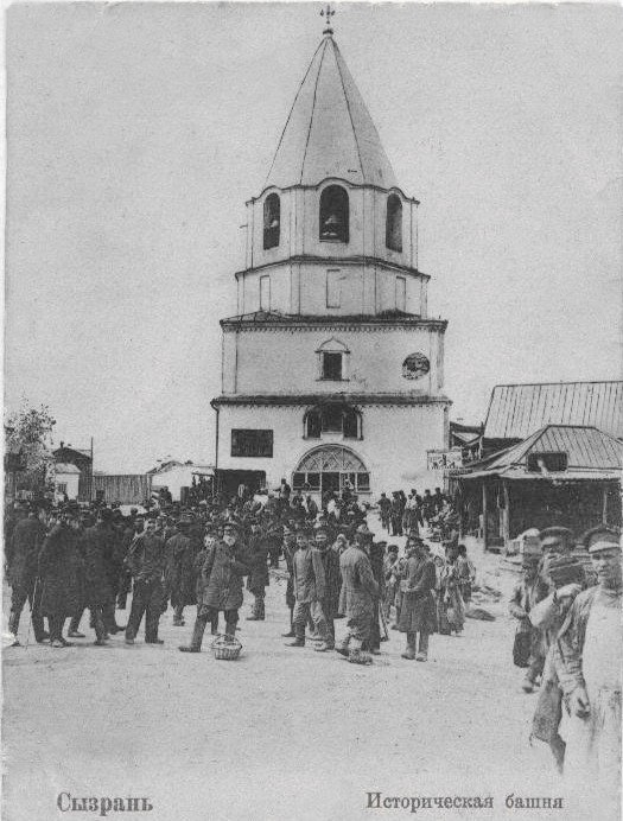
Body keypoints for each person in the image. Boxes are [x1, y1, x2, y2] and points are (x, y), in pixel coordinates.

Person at [556, 526, 621, 810]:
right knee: (584, 778)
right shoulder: (585, 601)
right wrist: (575, 688)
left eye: (609, 556)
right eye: (596, 558)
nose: (602, 564)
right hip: (590, 703)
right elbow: (565, 648)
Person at [529, 526, 584, 772]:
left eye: (556, 548)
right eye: (546, 549)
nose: (551, 554)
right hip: (552, 652)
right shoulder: (541, 580)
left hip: (579, 655)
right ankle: (560, 756)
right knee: (547, 715)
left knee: (581, 713)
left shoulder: (583, 576)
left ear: (570, 549)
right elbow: (536, 618)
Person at [179, 522, 249, 652]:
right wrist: (207, 585)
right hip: (214, 588)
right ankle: (195, 645)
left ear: (236, 533)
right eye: (226, 531)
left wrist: (234, 564)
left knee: (231, 617)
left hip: (232, 590)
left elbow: (247, 570)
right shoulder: (217, 546)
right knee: (202, 616)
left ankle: (228, 647)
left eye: (231, 531)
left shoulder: (242, 548)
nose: (228, 534)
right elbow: (206, 568)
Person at [37, 507, 84, 648]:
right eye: (76, 520)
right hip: (55, 575)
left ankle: (59, 636)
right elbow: (43, 554)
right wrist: (42, 573)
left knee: (63, 607)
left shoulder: (68, 532)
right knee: (54, 607)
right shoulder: (56, 532)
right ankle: (54, 638)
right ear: (69, 519)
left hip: (65, 575)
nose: (78, 523)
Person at [337, 524, 379, 665]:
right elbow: (367, 581)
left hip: (348, 594)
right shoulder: (361, 556)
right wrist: (377, 589)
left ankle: (343, 644)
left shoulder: (345, 553)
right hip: (361, 596)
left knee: (354, 622)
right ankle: (354, 653)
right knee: (363, 624)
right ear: (365, 540)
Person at [509, 543, 548, 692]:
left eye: (529, 568)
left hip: (541, 624)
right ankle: (537, 675)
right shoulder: (520, 585)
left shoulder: (543, 584)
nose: (526, 572)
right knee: (523, 652)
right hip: (525, 623)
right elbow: (512, 602)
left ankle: (531, 678)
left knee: (540, 650)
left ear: (536, 569)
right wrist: (519, 612)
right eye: (524, 569)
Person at [6, 504, 48, 645]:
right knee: (36, 603)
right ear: (40, 512)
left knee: (16, 605)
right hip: (32, 571)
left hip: (18, 569)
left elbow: (10, 547)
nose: (46, 516)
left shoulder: (19, 525)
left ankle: (11, 635)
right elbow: (41, 552)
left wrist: (11, 566)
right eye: (45, 513)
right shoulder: (40, 527)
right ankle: (39, 633)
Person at [286, 525, 329, 651]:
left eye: (303, 538)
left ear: (308, 539)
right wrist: (295, 589)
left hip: (312, 591)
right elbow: (295, 575)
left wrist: (320, 592)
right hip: (300, 591)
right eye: (298, 538)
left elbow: (319, 574)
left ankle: (327, 641)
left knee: (317, 617)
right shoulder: (296, 554)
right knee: (298, 616)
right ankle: (300, 639)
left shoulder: (314, 552)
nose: (300, 541)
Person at [125, 517, 166, 645]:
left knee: (154, 609)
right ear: (144, 527)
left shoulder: (159, 541)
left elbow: (162, 559)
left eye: (153, 526)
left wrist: (158, 573)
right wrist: (136, 575)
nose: (150, 529)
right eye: (148, 526)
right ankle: (130, 635)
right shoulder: (139, 539)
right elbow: (130, 557)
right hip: (141, 578)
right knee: (137, 608)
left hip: (155, 578)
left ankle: (151, 636)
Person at [399, 538, 437, 661]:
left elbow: (425, 582)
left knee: (424, 625)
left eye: (415, 546)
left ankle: (422, 651)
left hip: (423, 597)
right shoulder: (409, 561)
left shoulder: (428, 563)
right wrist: (404, 586)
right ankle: (410, 649)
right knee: (409, 623)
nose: (412, 549)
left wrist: (412, 590)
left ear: (421, 547)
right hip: (410, 597)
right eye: (410, 546)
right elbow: (404, 577)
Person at [314, 524, 341, 650]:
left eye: (322, 538)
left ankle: (329, 641)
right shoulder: (316, 553)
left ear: (328, 539)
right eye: (318, 538)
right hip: (317, 589)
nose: (320, 540)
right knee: (322, 616)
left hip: (329, 590)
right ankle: (327, 639)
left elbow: (334, 576)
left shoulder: (333, 555)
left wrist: (327, 590)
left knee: (326, 617)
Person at [246, 522, 270, 621]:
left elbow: (263, 554)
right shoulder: (252, 538)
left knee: (257, 589)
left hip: (259, 568)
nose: (254, 527)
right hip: (253, 568)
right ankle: (261, 613)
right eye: (253, 525)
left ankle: (257, 613)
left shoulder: (263, 539)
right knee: (255, 589)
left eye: (256, 525)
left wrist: (251, 558)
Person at [281, 524, 298, 637]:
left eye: (289, 534)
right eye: (285, 535)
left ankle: (313, 629)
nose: (286, 537)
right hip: (291, 579)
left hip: (299, 579)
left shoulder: (297, 547)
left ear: (294, 535)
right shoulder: (285, 547)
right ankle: (293, 629)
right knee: (291, 604)